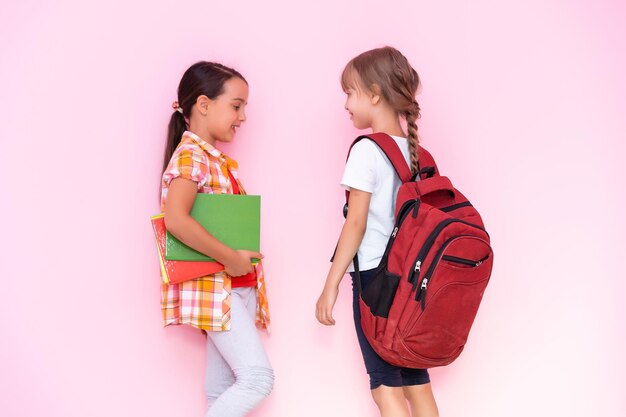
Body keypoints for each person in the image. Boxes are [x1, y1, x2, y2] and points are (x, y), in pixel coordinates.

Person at [316, 47, 439, 417]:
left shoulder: (366, 151)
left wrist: (331, 284)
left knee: (385, 385)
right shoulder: (418, 152)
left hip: (373, 279)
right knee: (416, 381)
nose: (346, 104)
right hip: (412, 282)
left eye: (349, 93)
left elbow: (356, 223)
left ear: (374, 93)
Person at [160, 61, 273, 417]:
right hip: (218, 288)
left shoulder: (215, 162)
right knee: (257, 379)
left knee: (220, 392)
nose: (243, 117)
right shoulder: (191, 156)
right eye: (236, 105)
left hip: (235, 287)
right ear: (204, 105)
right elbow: (176, 220)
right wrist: (230, 257)